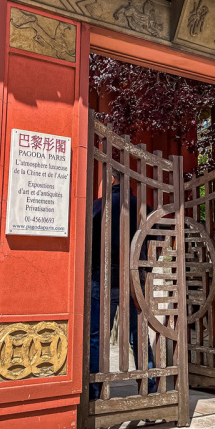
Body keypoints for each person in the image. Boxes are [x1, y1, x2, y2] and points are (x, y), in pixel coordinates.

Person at [89, 169, 157, 400]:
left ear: (111, 179)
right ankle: (149, 386)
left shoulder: (98, 207)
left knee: (97, 336)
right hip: (134, 281)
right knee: (138, 337)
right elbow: (157, 241)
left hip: (102, 279)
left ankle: (95, 391)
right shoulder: (144, 208)